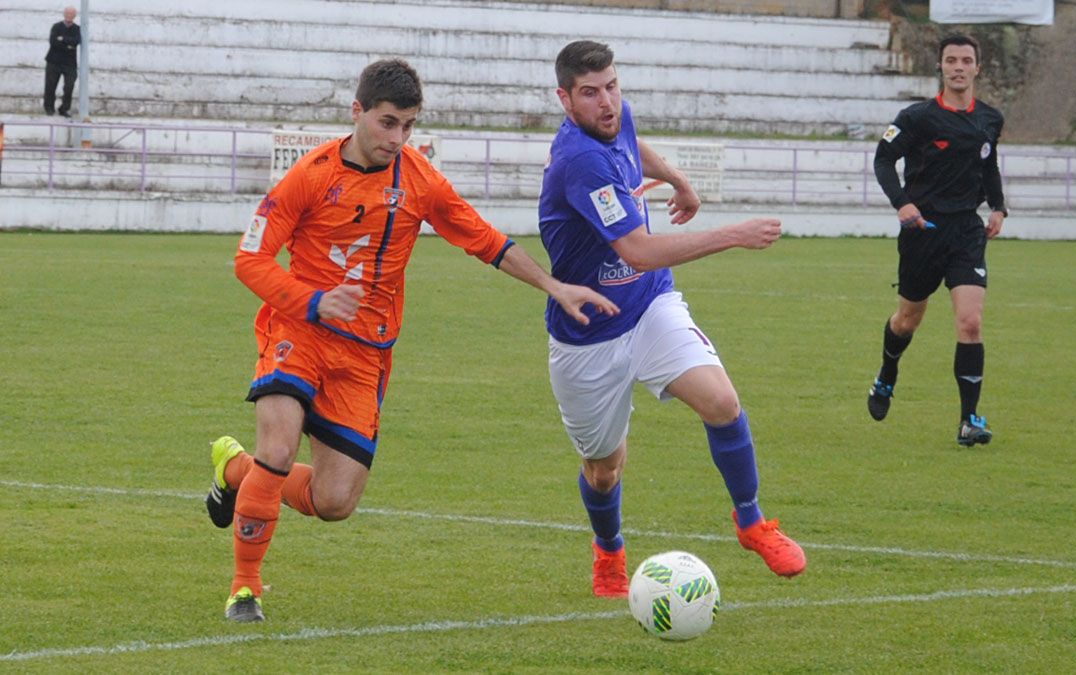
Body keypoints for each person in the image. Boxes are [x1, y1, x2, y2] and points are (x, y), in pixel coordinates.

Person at [206, 58, 619, 622]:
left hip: (365, 353)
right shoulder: (310, 175)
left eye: (408, 126)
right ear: (358, 113)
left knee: (334, 503)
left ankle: (234, 469)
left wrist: (553, 285)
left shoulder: (419, 181)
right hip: (298, 329)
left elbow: (485, 239)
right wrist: (312, 300)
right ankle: (244, 589)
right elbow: (249, 259)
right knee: (277, 451)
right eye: (387, 123)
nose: (398, 138)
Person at [538, 40, 806, 598]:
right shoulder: (578, 162)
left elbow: (636, 144)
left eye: (612, 86)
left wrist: (679, 179)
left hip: (650, 304)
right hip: (588, 333)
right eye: (590, 93)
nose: (607, 102)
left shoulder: (617, 118)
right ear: (565, 99)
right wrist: (734, 235)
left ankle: (753, 523)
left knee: (722, 402)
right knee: (604, 468)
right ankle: (609, 548)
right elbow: (637, 250)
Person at [868, 34, 1007, 447]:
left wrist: (998, 207)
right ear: (942, 67)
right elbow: (883, 159)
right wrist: (902, 204)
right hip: (922, 231)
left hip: (966, 230)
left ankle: (969, 420)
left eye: (966, 60)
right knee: (907, 320)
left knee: (970, 321)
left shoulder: (990, 119)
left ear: (977, 68)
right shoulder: (916, 118)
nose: (959, 67)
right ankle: (887, 374)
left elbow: (989, 164)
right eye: (951, 60)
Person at [44, 6, 80, 117]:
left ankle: (64, 108)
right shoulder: (56, 26)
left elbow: (76, 41)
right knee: (50, 86)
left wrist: (62, 39)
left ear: (75, 16)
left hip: (69, 64)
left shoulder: (77, 29)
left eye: (72, 14)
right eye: (67, 13)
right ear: (64, 14)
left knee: (69, 86)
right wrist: (68, 46)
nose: (69, 15)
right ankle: (49, 108)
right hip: (53, 62)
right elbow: (53, 42)